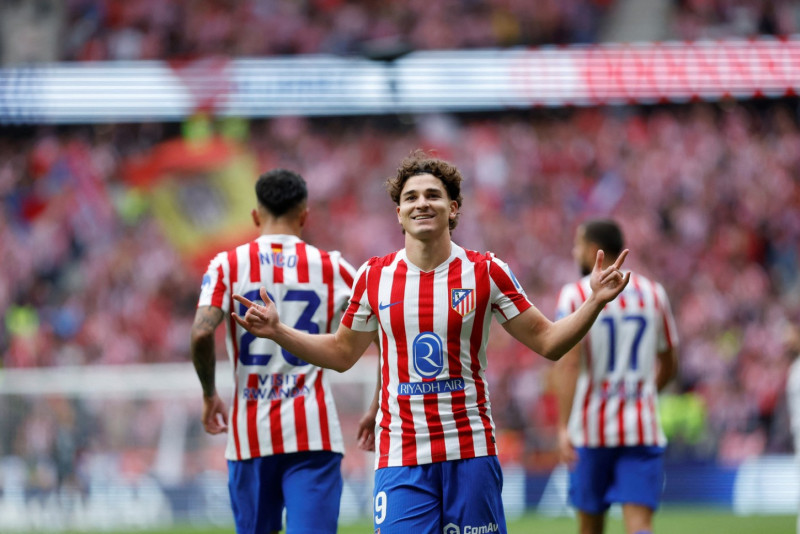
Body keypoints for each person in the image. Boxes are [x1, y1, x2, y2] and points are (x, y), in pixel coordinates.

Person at [232, 150, 630, 534]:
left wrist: (594, 301)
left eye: (432, 195)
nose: (421, 203)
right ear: (399, 213)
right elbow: (341, 353)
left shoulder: (486, 271)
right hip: (402, 456)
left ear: (453, 208)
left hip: (470, 451)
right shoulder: (374, 276)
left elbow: (548, 341)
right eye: (411, 197)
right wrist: (279, 331)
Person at [190, 168, 358, 534]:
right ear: (304, 216)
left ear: (255, 216)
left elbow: (201, 334)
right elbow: (384, 331)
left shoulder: (227, 266)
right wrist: (377, 403)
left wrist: (209, 394)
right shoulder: (332, 267)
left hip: (250, 436)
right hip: (313, 431)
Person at [554, 219, 679, 534]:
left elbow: (568, 365)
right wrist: (646, 392)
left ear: (591, 250)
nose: (574, 252)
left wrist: (563, 426)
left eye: (577, 245)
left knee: (590, 526)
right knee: (640, 525)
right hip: (642, 428)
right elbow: (669, 362)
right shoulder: (654, 294)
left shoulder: (574, 295)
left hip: (590, 431)